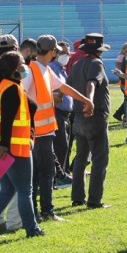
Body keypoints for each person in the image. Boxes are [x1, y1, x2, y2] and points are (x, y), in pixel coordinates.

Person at [23, 35, 94, 221]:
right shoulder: (33, 71)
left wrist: (85, 100)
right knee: (46, 172)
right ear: (53, 52)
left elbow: (64, 87)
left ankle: (35, 210)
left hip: (44, 130)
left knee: (39, 172)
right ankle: (46, 211)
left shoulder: (43, 69)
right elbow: (22, 95)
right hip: (38, 131)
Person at [0, 51, 45, 238]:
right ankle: (32, 229)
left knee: (7, 190)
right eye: (22, 63)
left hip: (5, 148)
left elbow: (23, 107)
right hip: (15, 149)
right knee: (25, 191)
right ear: (14, 69)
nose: (25, 66)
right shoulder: (12, 89)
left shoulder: (6, 86)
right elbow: (7, 120)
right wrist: (5, 145)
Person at [68, 34, 111, 209]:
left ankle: (77, 197)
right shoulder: (96, 64)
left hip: (78, 117)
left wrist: (61, 95)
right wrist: (89, 101)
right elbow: (92, 84)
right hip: (94, 116)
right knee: (100, 159)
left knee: (80, 158)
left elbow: (68, 85)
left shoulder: (78, 64)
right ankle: (94, 200)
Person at [49, 41, 74, 188]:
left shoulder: (61, 69)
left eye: (68, 53)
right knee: (60, 146)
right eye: (64, 53)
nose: (67, 56)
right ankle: (58, 177)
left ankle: (61, 174)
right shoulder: (52, 68)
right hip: (56, 112)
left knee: (64, 146)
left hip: (65, 114)